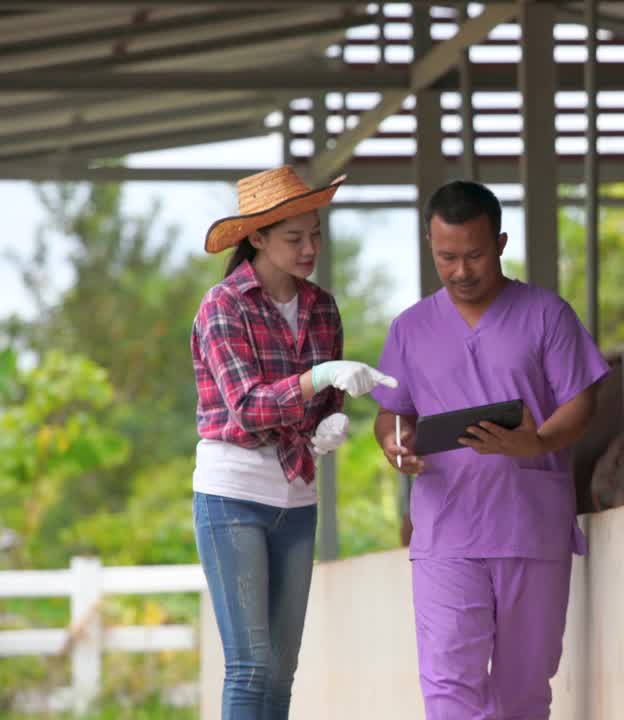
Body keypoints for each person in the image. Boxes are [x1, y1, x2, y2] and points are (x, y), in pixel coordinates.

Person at [371, 180, 608, 719]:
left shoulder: (546, 315)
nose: (460, 270)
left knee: (523, 691)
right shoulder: (410, 329)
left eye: (474, 255)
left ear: (499, 243)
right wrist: (394, 441)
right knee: (449, 687)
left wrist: (540, 439)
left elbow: (582, 399)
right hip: (446, 530)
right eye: (446, 256)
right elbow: (392, 410)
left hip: (530, 526)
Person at [190, 166, 397, 719]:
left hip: (297, 498)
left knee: (282, 672)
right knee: (251, 664)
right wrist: (319, 378)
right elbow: (250, 408)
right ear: (256, 237)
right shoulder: (223, 306)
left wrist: (330, 420)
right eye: (294, 237)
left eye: (316, 234)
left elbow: (324, 401)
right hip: (232, 498)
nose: (310, 247)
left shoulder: (323, 307)